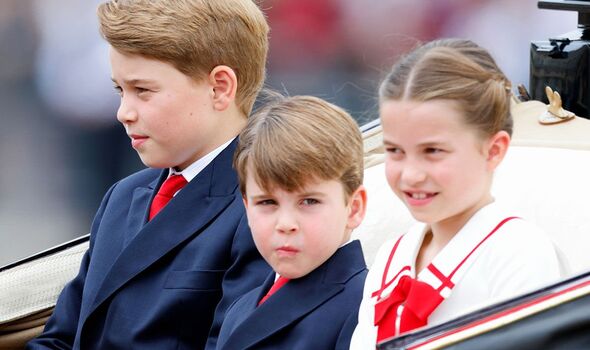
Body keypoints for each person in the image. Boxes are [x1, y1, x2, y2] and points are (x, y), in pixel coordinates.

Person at [27, 0, 271, 349]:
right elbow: (62, 337)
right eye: (119, 90)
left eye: (143, 91)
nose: (123, 112)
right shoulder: (123, 197)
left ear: (219, 88)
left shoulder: (263, 207)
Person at [350, 38, 567, 348]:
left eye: (433, 151)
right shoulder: (390, 256)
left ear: (493, 151)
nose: (411, 174)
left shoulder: (520, 255)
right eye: (395, 151)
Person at [216, 95, 368, 349]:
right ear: (246, 206)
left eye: (309, 202)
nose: (285, 223)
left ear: (354, 207)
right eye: (267, 202)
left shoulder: (367, 308)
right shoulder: (239, 309)